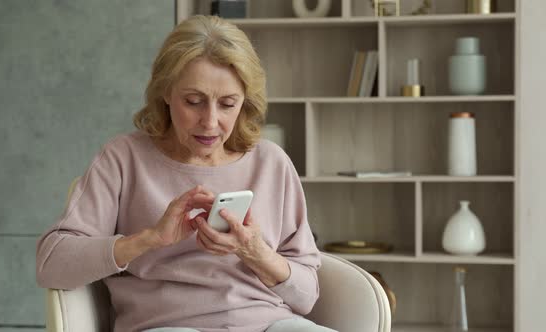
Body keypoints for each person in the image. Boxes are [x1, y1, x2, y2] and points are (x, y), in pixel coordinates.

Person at [36, 15, 334, 332]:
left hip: (269, 323)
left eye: (228, 104)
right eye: (193, 101)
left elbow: (306, 295)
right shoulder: (123, 159)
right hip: (167, 324)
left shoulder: (271, 163)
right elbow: (52, 264)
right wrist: (149, 239)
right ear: (166, 92)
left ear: (245, 101)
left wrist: (254, 251)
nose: (210, 121)